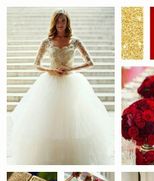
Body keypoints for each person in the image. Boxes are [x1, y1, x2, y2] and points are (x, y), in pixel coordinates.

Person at [9, 9, 113, 164]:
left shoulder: (75, 41)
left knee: (72, 119)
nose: (60, 24)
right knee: (49, 119)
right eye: (58, 21)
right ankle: (50, 155)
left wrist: (72, 69)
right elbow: (36, 64)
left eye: (63, 21)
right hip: (50, 82)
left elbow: (90, 62)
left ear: (67, 22)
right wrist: (51, 69)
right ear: (54, 23)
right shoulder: (47, 41)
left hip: (71, 82)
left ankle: (72, 154)